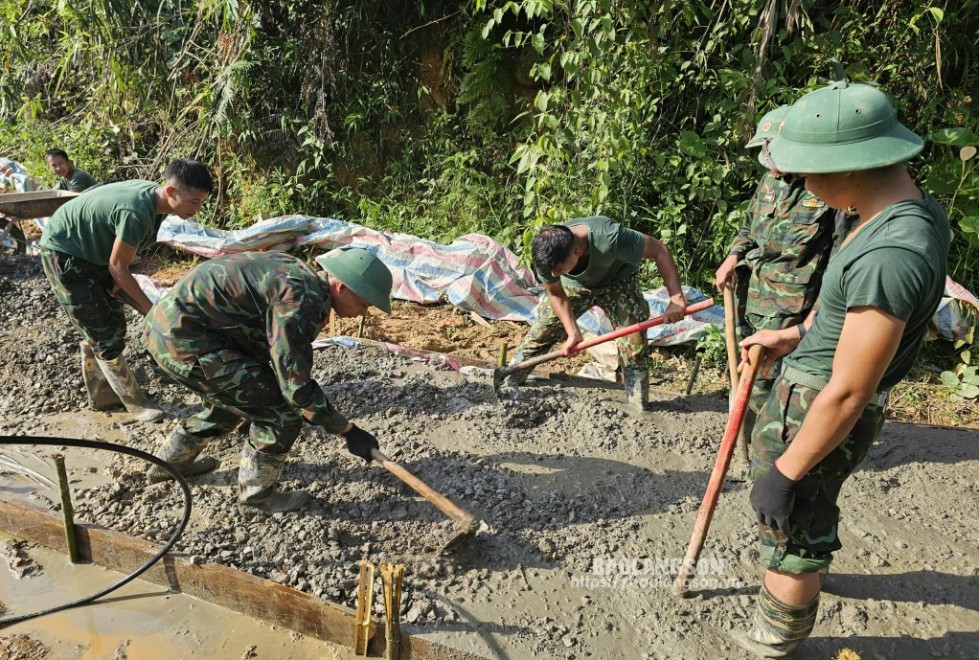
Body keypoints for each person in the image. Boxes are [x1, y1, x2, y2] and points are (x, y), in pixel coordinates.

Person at [735, 81, 950, 657]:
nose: (800, 183)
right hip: (811, 387)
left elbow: (850, 390)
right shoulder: (897, 212)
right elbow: (844, 316)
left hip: (816, 408)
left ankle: (775, 640)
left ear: (850, 165)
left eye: (807, 171)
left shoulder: (890, 254)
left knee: (793, 533)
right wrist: (793, 334)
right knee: (800, 520)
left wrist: (785, 471)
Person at [142, 248, 393, 514]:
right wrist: (346, 430)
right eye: (364, 303)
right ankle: (257, 498)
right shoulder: (302, 300)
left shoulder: (299, 275)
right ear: (341, 287)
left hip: (167, 329)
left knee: (232, 402)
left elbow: (273, 351)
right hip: (186, 341)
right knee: (280, 414)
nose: (363, 312)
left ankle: (168, 465)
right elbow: (295, 387)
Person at [38, 158, 214, 422]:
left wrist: (122, 282)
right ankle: (135, 403)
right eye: (194, 202)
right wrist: (152, 311)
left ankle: (102, 393)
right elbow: (118, 267)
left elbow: (121, 260)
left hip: (94, 251)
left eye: (202, 202)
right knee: (103, 331)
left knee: (111, 322)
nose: (198, 209)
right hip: (65, 251)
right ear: (171, 191)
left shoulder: (156, 200)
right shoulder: (137, 211)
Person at [715, 106, 851, 438]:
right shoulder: (768, 182)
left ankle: (774, 444)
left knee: (768, 378)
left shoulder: (827, 189)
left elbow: (842, 256)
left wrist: (818, 315)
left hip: (792, 306)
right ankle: (754, 432)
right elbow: (748, 229)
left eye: (770, 149)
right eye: (763, 149)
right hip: (750, 292)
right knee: (747, 370)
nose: (766, 157)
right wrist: (733, 256)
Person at [502, 216, 687, 410]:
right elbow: (556, 293)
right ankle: (509, 378)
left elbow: (659, 249)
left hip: (618, 282)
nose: (554, 275)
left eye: (559, 270)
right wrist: (572, 332)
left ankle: (637, 405)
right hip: (576, 287)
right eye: (552, 272)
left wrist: (676, 298)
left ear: (578, 250)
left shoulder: (609, 237)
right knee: (544, 329)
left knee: (634, 342)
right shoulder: (547, 257)